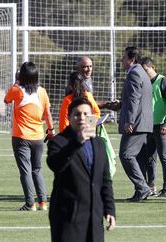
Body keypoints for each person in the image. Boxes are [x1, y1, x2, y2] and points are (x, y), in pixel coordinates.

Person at [47, 97, 116, 242]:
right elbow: (55, 164)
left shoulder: (99, 144)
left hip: (94, 219)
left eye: (86, 114)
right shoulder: (59, 141)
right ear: (69, 117)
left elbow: (105, 180)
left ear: (92, 117)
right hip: (68, 218)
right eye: (77, 114)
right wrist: (77, 142)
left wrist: (109, 209)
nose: (82, 118)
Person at [4, 61, 55, 211]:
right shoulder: (42, 92)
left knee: (25, 170)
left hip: (21, 136)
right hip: (38, 136)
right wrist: (51, 130)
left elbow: (6, 100)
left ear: (22, 76)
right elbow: (47, 113)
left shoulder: (17, 90)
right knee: (37, 170)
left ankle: (29, 203)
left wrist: (16, 82)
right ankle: (42, 202)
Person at [112, 46, 153, 202]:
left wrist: (129, 120)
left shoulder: (135, 73)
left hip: (136, 123)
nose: (122, 61)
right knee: (138, 158)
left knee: (126, 155)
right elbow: (135, 97)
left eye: (123, 57)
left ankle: (143, 188)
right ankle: (140, 190)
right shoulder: (142, 73)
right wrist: (121, 104)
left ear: (131, 59)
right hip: (143, 123)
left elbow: (135, 99)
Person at [140, 57, 166, 198]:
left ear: (152, 67)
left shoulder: (164, 81)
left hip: (162, 126)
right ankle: (151, 186)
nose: (144, 73)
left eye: (146, 70)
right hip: (148, 126)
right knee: (149, 158)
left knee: (164, 157)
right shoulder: (145, 83)